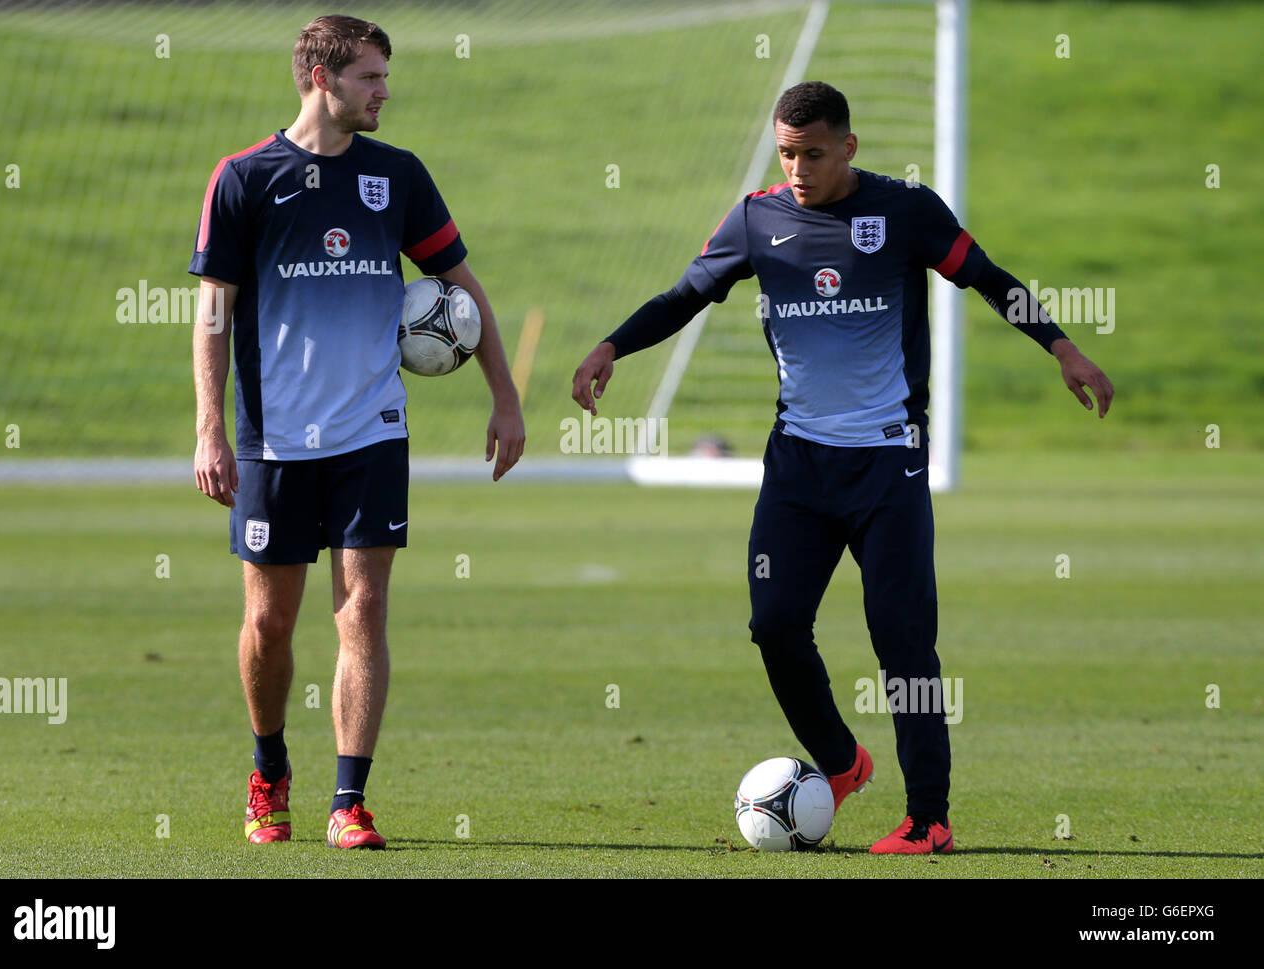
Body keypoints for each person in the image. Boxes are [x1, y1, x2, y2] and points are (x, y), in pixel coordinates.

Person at [572, 81, 1113, 854]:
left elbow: (991, 279)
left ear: (848, 148)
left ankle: (929, 817)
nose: (798, 168)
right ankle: (841, 760)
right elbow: (686, 294)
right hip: (798, 466)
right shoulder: (757, 219)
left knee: (903, 643)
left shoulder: (905, 211)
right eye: (787, 153)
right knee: (773, 624)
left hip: (888, 463)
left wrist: (1064, 348)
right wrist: (610, 347)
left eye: (814, 153)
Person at [189, 14, 525, 849]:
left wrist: (505, 396)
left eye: (384, 75)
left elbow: (460, 284)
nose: (384, 91)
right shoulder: (242, 177)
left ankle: (349, 800)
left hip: (372, 434)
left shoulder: (397, 176)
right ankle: (269, 770)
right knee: (269, 624)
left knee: (363, 610)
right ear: (319, 77)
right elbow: (213, 316)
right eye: (370, 77)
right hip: (272, 440)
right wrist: (209, 430)